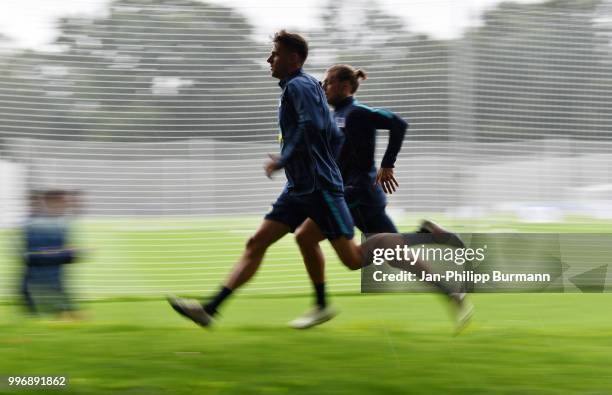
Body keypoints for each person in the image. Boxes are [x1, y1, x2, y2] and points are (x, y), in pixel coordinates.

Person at [168, 31, 472, 331]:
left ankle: (427, 246)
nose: (269, 59)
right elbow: (322, 130)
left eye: (275, 53)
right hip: (303, 187)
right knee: (263, 241)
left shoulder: (322, 96)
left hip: (335, 190)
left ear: (294, 58)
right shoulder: (312, 96)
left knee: (361, 258)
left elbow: (351, 125)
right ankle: (212, 309)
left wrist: (383, 164)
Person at [288, 65, 470, 329]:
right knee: (400, 257)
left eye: (328, 82)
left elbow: (398, 123)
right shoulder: (335, 116)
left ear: (345, 86)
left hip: (356, 192)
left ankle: (321, 305)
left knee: (306, 236)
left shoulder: (357, 112)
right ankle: (446, 280)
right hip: (361, 195)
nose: (323, 87)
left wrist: (388, 163)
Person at [20, 190, 80, 317]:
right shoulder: (37, 224)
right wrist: (68, 253)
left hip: (51, 283)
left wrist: (70, 253)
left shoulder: (58, 225)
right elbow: (34, 255)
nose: (66, 206)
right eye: (63, 202)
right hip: (40, 284)